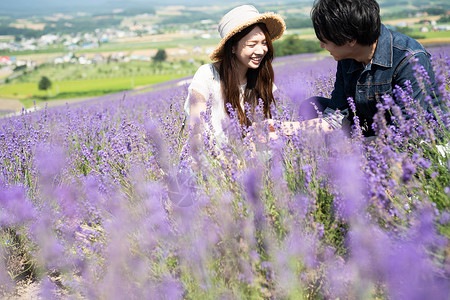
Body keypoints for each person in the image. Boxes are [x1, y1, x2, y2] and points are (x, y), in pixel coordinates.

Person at [300, 0, 438, 137]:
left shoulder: (409, 59)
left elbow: (408, 127)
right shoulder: (347, 56)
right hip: (369, 130)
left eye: (325, 40)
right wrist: (289, 129)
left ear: (350, 39)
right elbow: (336, 115)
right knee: (312, 105)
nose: (321, 46)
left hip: (412, 140)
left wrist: (359, 147)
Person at [184, 5, 285, 146]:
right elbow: (197, 132)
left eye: (264, 43)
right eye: (252, 44)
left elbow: (269, 127)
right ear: (232, 47)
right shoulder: (207, 75)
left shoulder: (262, 78)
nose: (261, 50)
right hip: (206, 160)